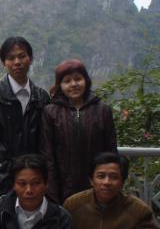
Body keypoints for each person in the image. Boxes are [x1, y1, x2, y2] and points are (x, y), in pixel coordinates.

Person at [0, 36, 50, 209]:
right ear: (4, 62)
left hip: (33, 178)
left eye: (22, 56)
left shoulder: (41, 97)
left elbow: (46, 142)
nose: (17, 62)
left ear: (30, 58)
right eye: (11, 58)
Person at [40, 59, 117, 203]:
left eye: (78, 79)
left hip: (96, 185)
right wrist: (52, 191)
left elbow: (111, 150)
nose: (73, 84)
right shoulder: (50, 112)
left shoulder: (102, 110)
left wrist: (109, 181)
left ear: (86, 81)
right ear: (60, 85)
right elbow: (48, 155)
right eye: (67, 81)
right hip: (63, 187)